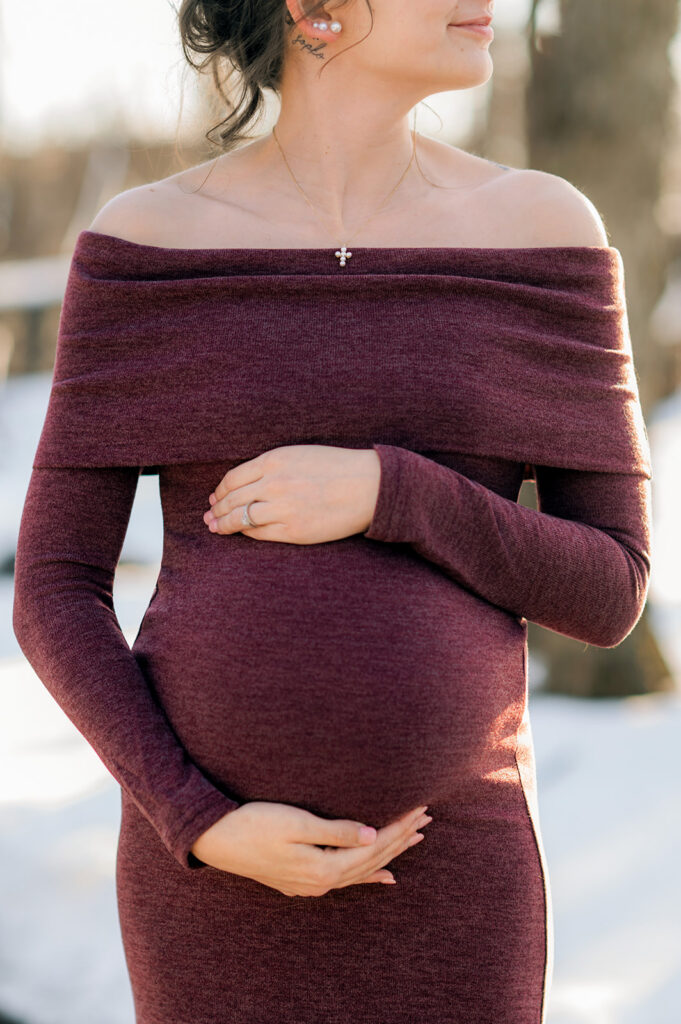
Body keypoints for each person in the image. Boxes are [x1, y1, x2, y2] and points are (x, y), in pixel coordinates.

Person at [12, 2, 652, 1022]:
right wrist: (198, 818)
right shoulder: (148, 249)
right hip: (213, 886)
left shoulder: (544, 237)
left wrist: (395, 493)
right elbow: (53, 586)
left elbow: (611, 586)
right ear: (313, 9)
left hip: (453, 886)